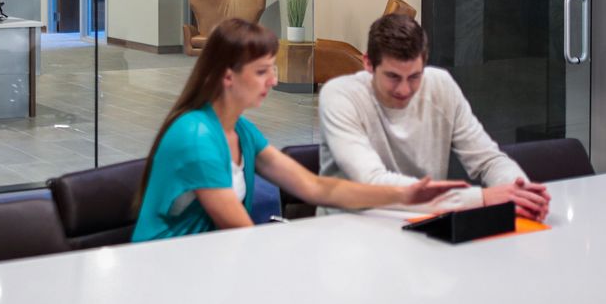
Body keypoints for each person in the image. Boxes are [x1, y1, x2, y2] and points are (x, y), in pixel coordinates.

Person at [132, 18, 464, 242]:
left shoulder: (241, 131)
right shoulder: (196, 138)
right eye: (262, 72)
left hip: (208, 266)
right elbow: (241, 232)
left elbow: (315, 187)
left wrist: (404, 194)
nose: (273, 81)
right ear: (228, 76)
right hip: (168, 274)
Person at [318, 13, 551, 220]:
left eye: (414, 77)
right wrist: (481, 198)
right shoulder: (340, 95)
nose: (404, 89)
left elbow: (488, 160)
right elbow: (371, 182)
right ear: (368, 63)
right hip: (349, 227)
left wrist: (522, 193)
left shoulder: (441, 86)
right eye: (393, 77)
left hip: (424, 223)